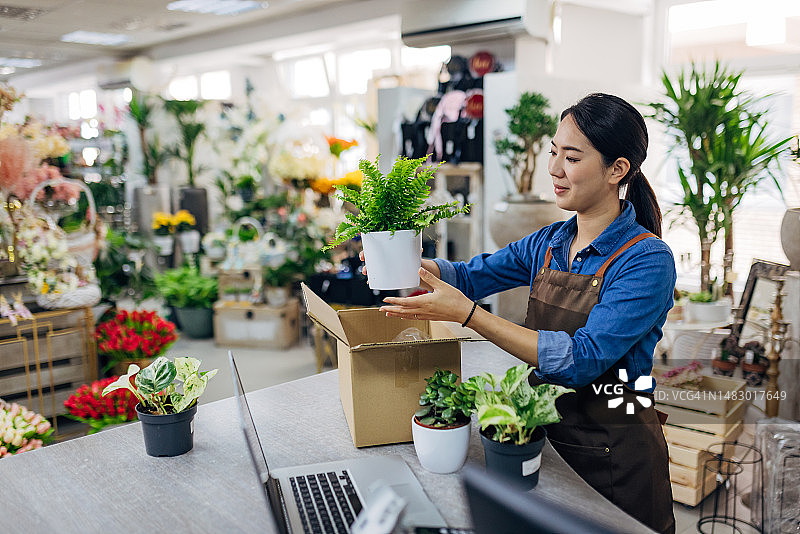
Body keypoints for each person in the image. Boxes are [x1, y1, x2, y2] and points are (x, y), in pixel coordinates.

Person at [376, 93, 676, 534]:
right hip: (548, 439)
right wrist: (404, 263)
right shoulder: (549, 243)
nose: (553, 169)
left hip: (616, 457)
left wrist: (470, 316)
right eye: (554, 152)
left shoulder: (646, 261)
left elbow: (580, 359)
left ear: (618, 170)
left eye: (571, 158)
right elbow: (472, 275)